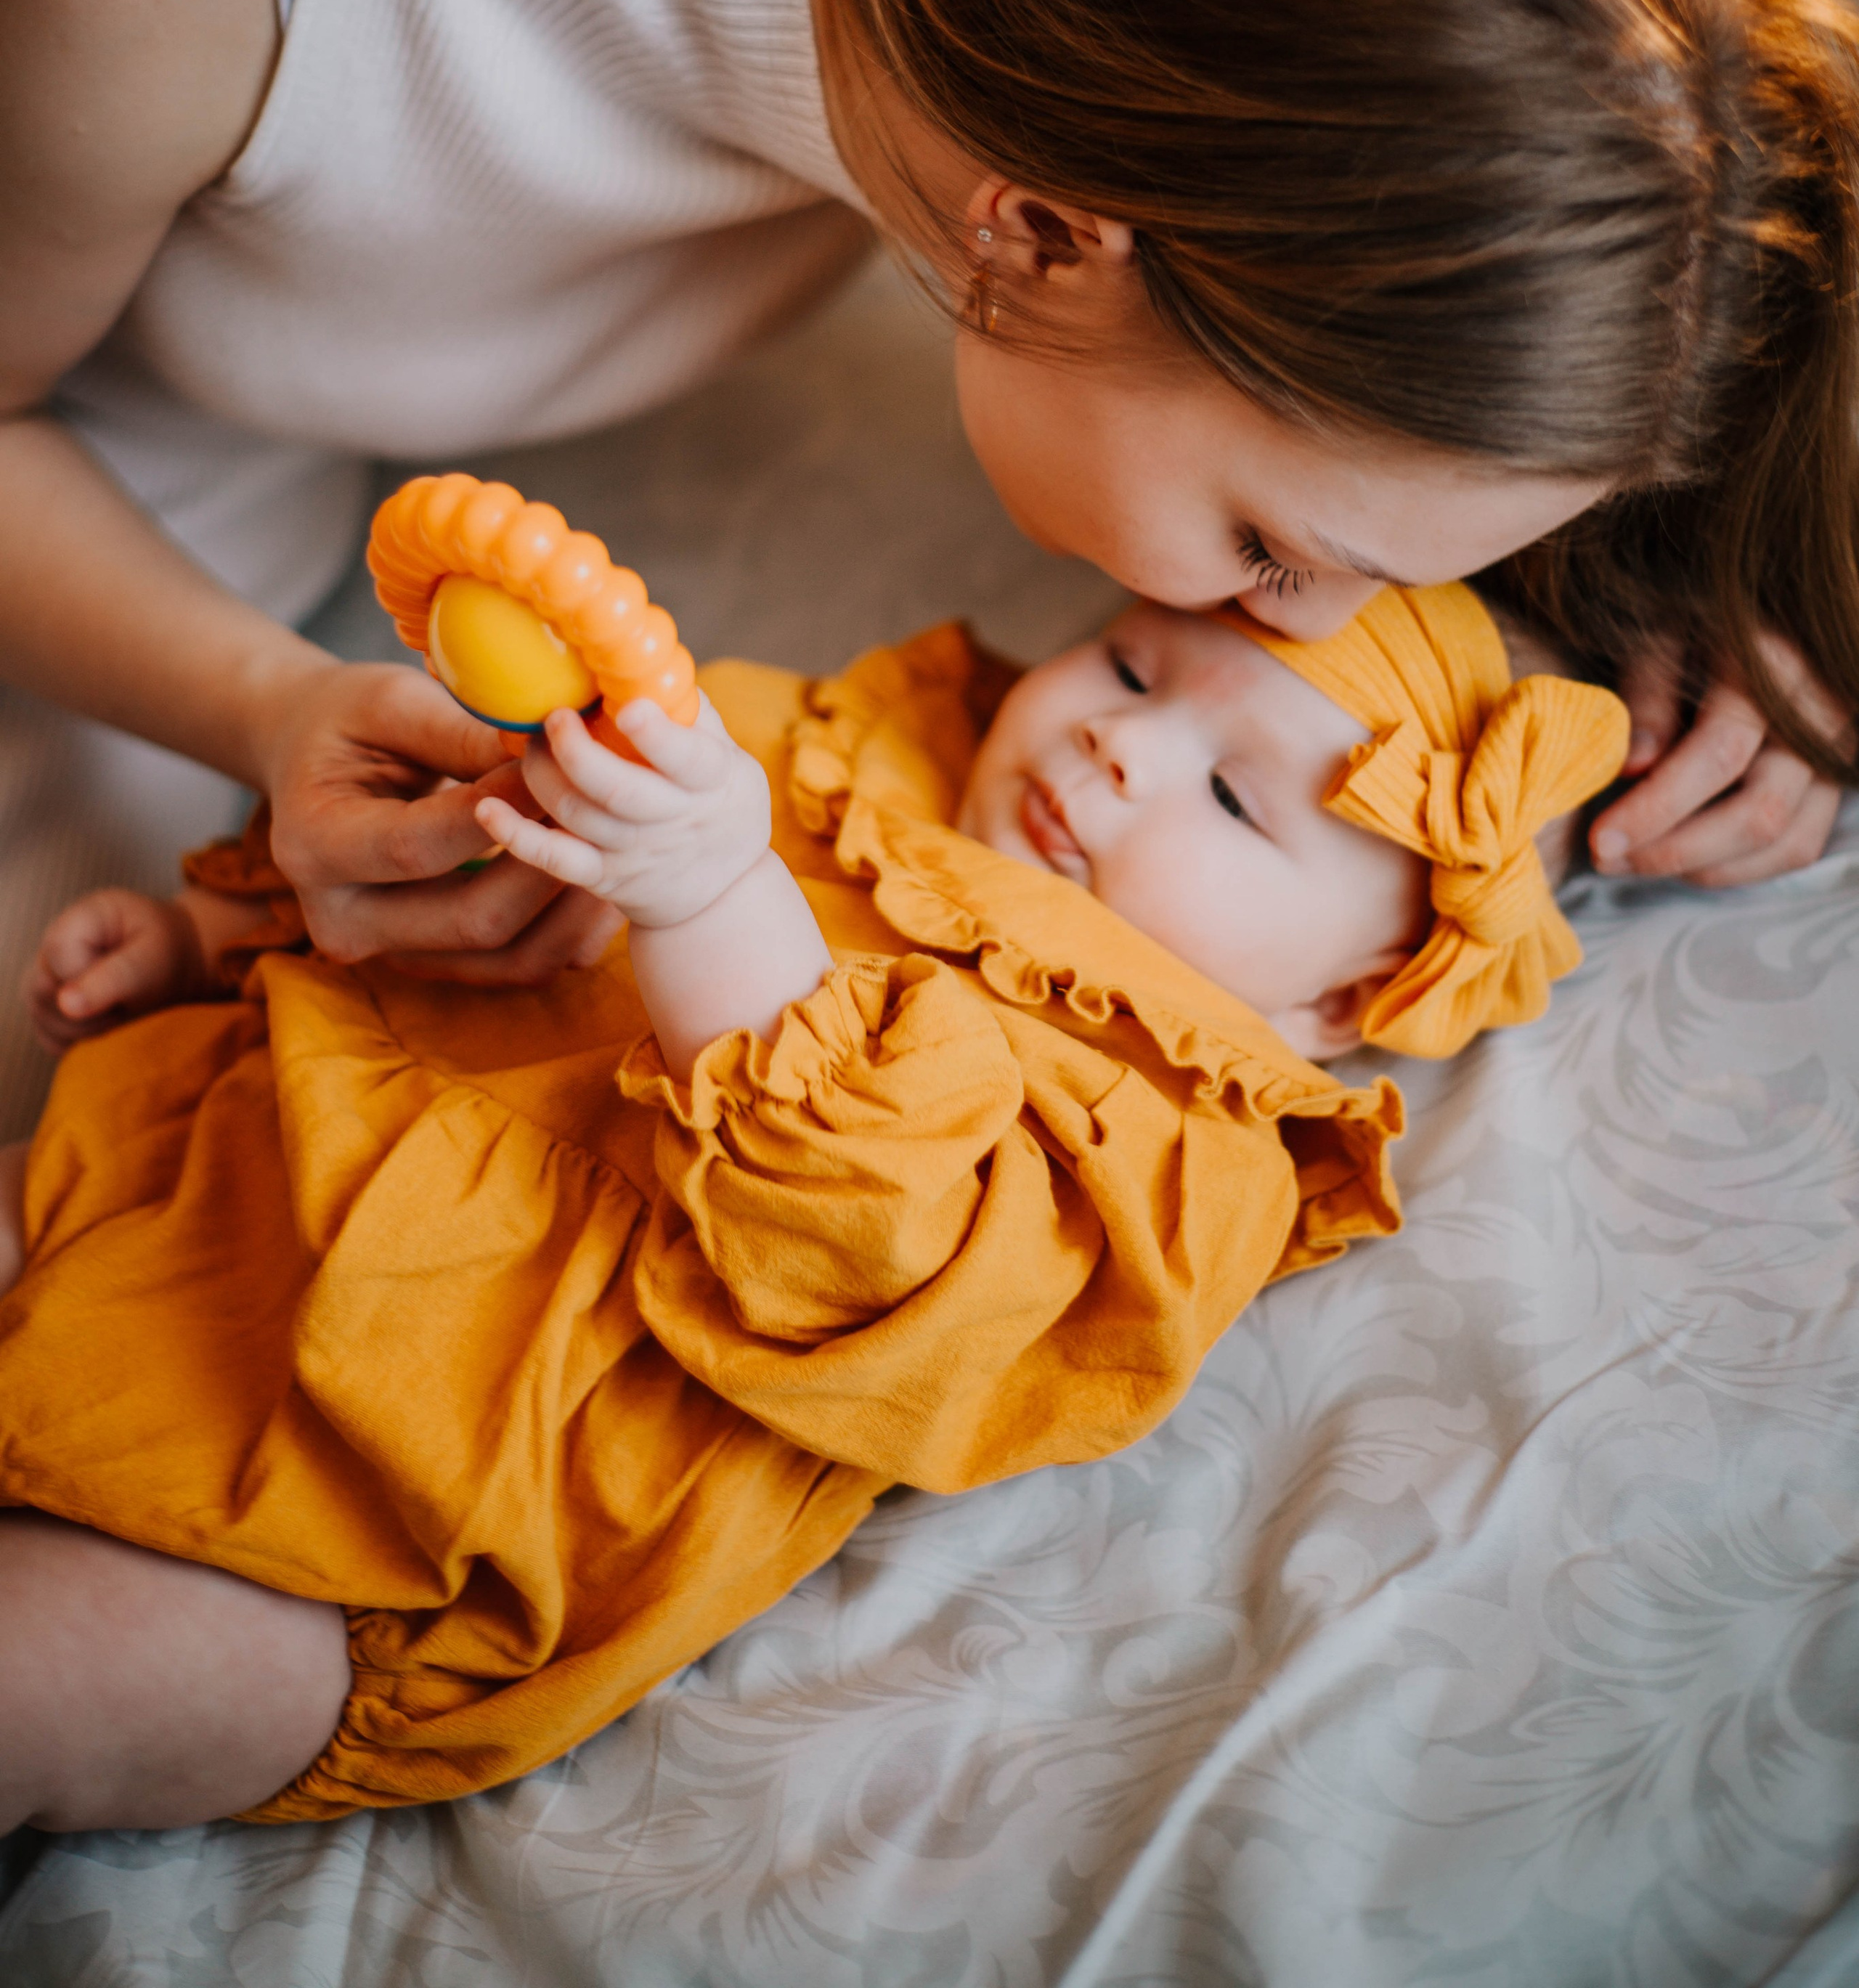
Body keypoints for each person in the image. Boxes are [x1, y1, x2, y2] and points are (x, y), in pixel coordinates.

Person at [1, 0, 1855, 1149]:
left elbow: (1580, 196)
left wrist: (1703, 583)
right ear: (1037, 235)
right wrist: (262, 709)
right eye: (1271, 550)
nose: (1310, 628)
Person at [0, 569, 1627, 1830]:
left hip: (406, 1524)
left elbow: (866, 1247)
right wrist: (225, 936)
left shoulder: (1171, 1142)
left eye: (1232, 799)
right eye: (1129, 666)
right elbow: (494, 867)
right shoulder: (828, 751)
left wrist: (715, 897)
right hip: (188, 1177)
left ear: (1341, 998)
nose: (1120, 744)